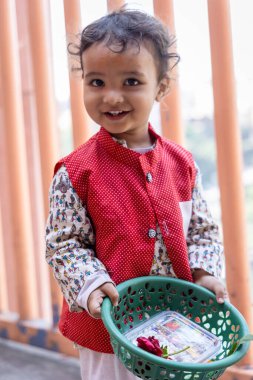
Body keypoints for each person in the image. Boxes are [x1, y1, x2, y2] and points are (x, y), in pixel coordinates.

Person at [45, 8, 227, 380]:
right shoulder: (76, 172)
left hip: (174, 321)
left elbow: (202, 231)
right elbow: (64, 244)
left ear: (160, 87)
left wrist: (205, 272)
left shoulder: (183, 165)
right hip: (106, 329)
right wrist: (91, 285)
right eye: (96, 82)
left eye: (130, 81)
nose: (112, 96)